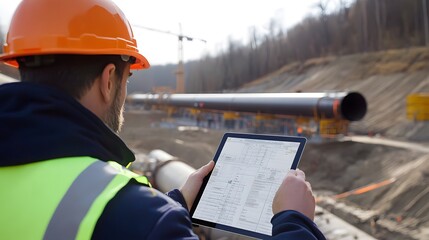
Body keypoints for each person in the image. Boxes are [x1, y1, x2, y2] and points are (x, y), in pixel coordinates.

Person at [0, 0, 326, 239]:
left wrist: (178, 203)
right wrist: (295, 221)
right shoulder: (135, 215)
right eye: (128, 80)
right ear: (109, 79)